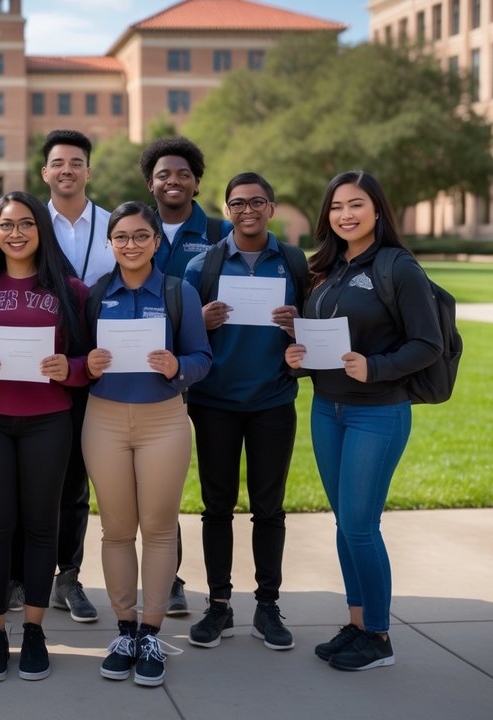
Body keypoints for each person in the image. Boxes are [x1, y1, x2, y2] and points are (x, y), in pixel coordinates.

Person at [285, 171, 441, 672]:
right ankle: (357, 623)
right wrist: (299, 355)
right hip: (327, 410)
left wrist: (375, 367)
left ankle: (379, 636)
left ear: (377, 209)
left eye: (356, 204)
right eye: (336, 207)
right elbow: (329, 343)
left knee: (359, 526)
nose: (345, 214)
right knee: (345, 524)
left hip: (378, 412)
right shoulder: (325, 269)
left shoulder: (398, 267)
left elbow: (427, 344)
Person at [0, 191, 90, 683]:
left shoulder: (70, 290)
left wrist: (69, 369)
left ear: (42, 230)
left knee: (41, 526)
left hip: (48, 420)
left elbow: (88, 362)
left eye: (26, 224)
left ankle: (33, 629)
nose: (16, 233)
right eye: (6, 225)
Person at [83, 201, 211, 688]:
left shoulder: (180, 293)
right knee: (116, 529)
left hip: (164, 420)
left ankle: (152, 632)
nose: (131, 245)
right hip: (105, 420)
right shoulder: (94, 295)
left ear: (157, 242)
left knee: (158, 528)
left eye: (141, 236)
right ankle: (124, 630)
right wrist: (87, 364)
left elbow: (203, 358)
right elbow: (75, 359)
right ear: (110, 244)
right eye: (122, 237)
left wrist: (178, 367)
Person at [182, 173, 305, 652]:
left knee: (269, 509)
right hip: (214, 405)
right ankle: (218, 605)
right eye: (238, 203)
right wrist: (202, 321)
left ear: (271, 207)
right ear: (226, 208)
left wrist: (300, 327)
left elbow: (316, 339)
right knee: (216, 508)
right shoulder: (202, 266)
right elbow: (184, 342)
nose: (247, 210)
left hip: (273, 402)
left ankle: (268, 605)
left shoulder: (294, 263)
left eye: (257, 202)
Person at [140, 134, 231, 616]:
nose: (172, 180)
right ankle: (168, 578)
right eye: (163, 174)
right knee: (158, 484)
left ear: (196, 182)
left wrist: (209, 319)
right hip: (150, 379)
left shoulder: (218, 231)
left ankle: (222, 590)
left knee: (213, 488)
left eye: (182, 173)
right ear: (150, 183)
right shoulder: (134, 228)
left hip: (207, 376)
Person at [40, 129, 115, 623]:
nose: (67, 169)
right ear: (44, 172)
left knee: (74, 482)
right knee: (27, 478)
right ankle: (24, 577)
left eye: (76, 162)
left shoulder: (114, 226)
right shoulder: (24, 223)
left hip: (95, 367)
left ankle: (68, 576)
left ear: (88, 170)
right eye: (57, 163)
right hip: (32, 367)